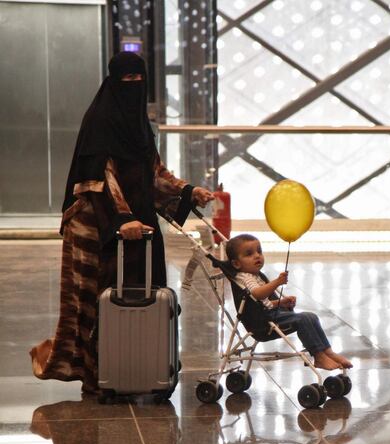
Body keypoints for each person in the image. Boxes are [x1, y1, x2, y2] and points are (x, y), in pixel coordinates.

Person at [30, 52, 214, 393]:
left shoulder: (140, 126)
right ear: (113, 80)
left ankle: (141, 366)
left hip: (135, 224)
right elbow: (100, 179)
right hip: (94, 226)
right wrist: (122, 218)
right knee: (94, 299)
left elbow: (153, 172)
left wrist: (188, 190)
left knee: (143, 293)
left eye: (137, 79)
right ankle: (98, 374)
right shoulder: (100, 122)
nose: (132, 85)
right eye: (125, 79)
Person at [226, 234, 352, 370]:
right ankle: (319, 356)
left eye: (259, 251)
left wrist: (281, 303)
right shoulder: (245, 277)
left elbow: (262, 303)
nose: (257, 256)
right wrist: (277, 282)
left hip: (268, 315)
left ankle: (328, 352)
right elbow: (257, 294)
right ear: (236, 264)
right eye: (249, 254)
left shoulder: (255, 275)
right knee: (303, 320)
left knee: (311, 317)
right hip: (263, 325)